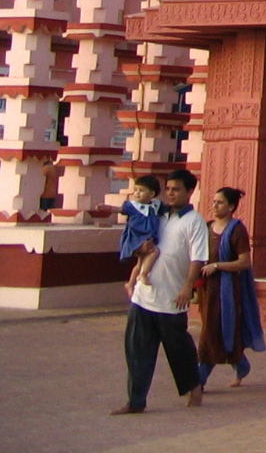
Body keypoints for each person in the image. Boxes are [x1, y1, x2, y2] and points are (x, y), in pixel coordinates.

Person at [112, 167, 207, 415]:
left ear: (190, 191)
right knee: (137, 351)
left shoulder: (194, 222)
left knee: (179, 349)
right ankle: (135, 401)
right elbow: (137, 240)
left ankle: (193, 387)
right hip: (144, 297)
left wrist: (188, 287)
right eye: (168, 189)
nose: (171, 194)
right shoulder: (156, 214)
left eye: (176, 189)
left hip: (172, 298)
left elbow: (198, 259)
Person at [196, 186, 266, 387]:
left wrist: (218, 266)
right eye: (214, 202)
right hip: (207, 291)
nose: (215, 206)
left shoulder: (236, 230)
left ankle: (199, 380)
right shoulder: (208, 228)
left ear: (231, 206)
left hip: (227, 292)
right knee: (216, 330)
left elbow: (244, 262)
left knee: (211, 333)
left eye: (220, 202)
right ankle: (240, 364)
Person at [120, 174, 162, 299]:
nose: (137, 193)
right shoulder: (133, 206)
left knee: (140, 263)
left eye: (141, 191)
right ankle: (144, 274)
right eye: (136, 190)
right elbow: (120, 210)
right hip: (136, 238)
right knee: (154, 251)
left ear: (152, 194)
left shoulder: (155, 206)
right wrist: (108, 209)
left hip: (147, 238)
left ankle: (131, 283)